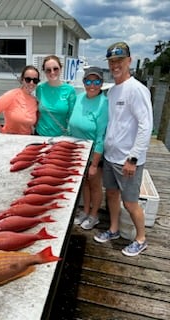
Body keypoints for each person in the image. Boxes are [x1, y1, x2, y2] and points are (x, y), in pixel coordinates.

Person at [94, 42, 153, 257]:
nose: (115, 65)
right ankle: (114, 229)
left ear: (129, 61)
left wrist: (134, 158)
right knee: (111, 194)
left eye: (119, 60)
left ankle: (141, 238)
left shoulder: (137, 89)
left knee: (130, 202)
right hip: (110, 157)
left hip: (128, 160)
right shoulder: (112, 91)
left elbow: (146, 126)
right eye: (111, 62)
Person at [69, 67, 108, 230]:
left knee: (95, 185)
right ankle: (85, 211)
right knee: (84, 183)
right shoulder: (78, 98)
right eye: (88, 81)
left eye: (97, 81)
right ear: (84, 82)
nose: (92, 85)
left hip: (94, 155)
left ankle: (94, 215)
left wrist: (94, 164)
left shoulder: (104, 104)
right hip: (78, 152)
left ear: (102, 83)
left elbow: (101, 137)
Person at [35, 55, 76, 136]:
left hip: (61, 137)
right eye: (48, 70)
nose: (52, 72)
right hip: (40, 134)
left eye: (55, 69)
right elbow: (38, 112)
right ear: (44, 71)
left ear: (61, 69)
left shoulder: (70, 90)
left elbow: (72, 116)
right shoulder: (40, 89)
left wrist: (67, 135)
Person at [0, 65, 40, 134]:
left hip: (27, 140)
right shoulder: (12, 95)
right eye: (28, 79)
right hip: (10, 139)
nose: (31, 83)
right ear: (22, 80)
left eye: (35, 80)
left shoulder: (34, 100)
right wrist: (0, 131)